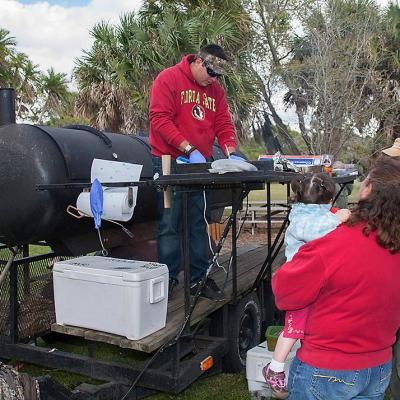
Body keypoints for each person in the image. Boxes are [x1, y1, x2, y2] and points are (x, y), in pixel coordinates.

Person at [272, 156, 400, 400]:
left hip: (328, 370)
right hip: (379, 366)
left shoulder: (333, 244)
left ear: (369, 190)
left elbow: (285, 293)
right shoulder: (391, 242)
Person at [149, 44, 244, 300]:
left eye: (218, 77)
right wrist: (188, 148)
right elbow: (159, 120)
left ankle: (198, 280)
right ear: (200, 63)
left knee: (198, 223)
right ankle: (167, 281)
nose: (214, 80)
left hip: (201, 166)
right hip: (170, 162)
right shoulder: (168, 78)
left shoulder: (216, 91)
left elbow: (223, 123)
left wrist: (230, 152)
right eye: (212, 73)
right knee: (170, 224)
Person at [263, 173, 350, 399]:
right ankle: (275, 367)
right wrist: (338, 218)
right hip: (299, 282)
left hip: (311, 278)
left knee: (307, 326)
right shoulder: (307, 220)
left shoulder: (305, 211)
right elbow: (314, 231)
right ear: (330, 200)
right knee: (293, 329)